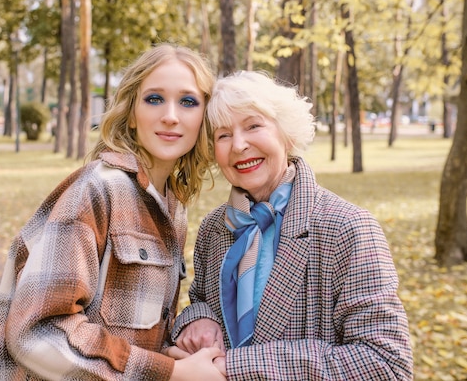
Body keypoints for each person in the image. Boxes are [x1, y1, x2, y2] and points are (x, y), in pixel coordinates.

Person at [0, 44, 225, 380]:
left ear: (204, 117)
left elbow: (126, 331)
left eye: (188, 101)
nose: (171, 115)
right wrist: (169, 372)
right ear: (130, 110)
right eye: (154, 98)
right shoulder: (98, 190)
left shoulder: (172, 204)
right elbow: (36, 332)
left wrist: (172, 351)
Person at [168, 70, 414, 380]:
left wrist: (234, 367)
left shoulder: (348, 227)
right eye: (223, 135)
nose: (239, 145)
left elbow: (387, 363)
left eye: (254, 125)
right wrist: (198, 320)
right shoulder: (214, 228)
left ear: (287, 134)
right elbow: (202, 300)